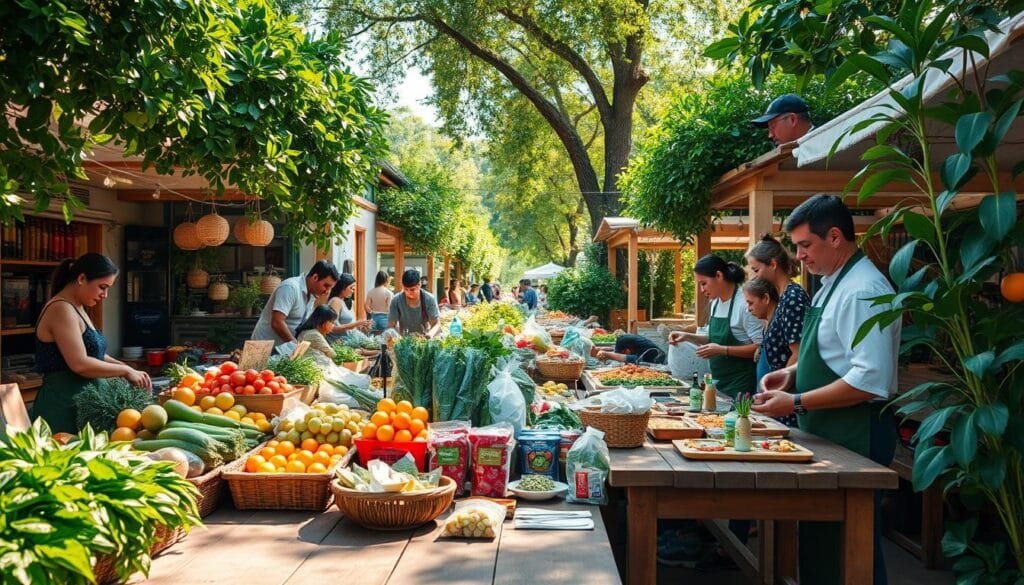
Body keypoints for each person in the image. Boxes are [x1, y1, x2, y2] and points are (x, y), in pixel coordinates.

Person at [754, 194, 900, 585]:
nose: (799, 256)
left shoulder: (863, 289)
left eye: (805, 245)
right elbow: (836, 354)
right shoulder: (834, 283)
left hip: (856, 432)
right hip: (829, 430)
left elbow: (868, 380)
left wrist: (796, 399)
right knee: (823, 541)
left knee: (851, 549)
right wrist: (793, 373)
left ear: (834, 236)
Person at [32, 253, 151, 433]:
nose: (105, 295)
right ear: (81, 278)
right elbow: (80, 364)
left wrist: (129, 369)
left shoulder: (77, 307)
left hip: (85, 404)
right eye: (102, 287)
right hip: (63, 406)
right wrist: (125, 371)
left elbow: (96, 354)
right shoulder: (61, 308)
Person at [667, 255, 762, 398]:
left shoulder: (744, 304)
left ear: (718, 275)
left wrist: (723, 350)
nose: (701, 289)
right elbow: (714, 339)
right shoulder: (716, 304)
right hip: (719, 382)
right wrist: (688, 337)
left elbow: (760, 348)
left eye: (704, 283)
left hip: (742, 384)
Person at [746, 234, 810, 424]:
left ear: (773, 264)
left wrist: (778, 391)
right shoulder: (783, 297)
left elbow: (798, 353)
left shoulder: (793, 297)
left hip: (785, 398)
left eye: (757, 269)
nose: (755, 276)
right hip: (777, 395)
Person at [742, 278, 797, 427]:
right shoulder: (767, 323)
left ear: (766, 298)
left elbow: (797, 354)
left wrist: (775, 391)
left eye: (750, 303)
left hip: (779, 404)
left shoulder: (780, 319)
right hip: (766, 401)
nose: (748, 309)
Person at [251, 260, 339, 346]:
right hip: (264, 348)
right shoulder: (290, 288)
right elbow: (277, 322)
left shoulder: (312, 294)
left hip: (283, 348)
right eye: (326, 286)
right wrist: (296, 346)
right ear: (315, 277)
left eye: (331, 288)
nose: (327, 291)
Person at [388, 269, 441, 337]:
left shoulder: (429, 299)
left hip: (424, 338)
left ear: (419, 285)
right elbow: (391, 325)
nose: (408, 292)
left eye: (412, 290)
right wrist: (397, 337)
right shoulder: (396, 300)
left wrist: (430, 334)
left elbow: (436, 323)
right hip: (404, 341)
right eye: (405, 289)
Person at [325, 274, 371, 344]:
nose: (353, 291)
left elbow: (351, 327)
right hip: (339, 342)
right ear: (342, 287)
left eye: (353, 289)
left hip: (350, 340)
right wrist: (356, 324)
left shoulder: (348, 302)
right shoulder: (335, 301)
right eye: (351, 288)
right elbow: (332, 328)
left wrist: (361, 326)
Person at [594, 334, 665, 365]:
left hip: (661, 363)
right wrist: (603, 349)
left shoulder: (645, 349)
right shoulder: (632, 341)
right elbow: (619, 352)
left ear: (627, 350)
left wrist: (606, 354)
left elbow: (630, 358)